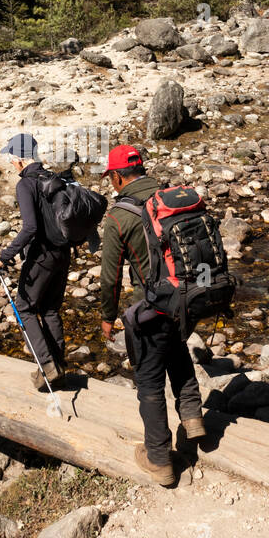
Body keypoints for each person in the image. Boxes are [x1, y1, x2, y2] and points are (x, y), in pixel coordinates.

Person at [98, 144, 204, 486]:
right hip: (187, 298)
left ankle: (159, 459)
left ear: (117, 177)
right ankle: (193, 419)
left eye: (111, 179)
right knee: (177, 350)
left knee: (149, 382)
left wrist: (107, 316)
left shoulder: (118, 216)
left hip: (152, 306)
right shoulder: (169, 198)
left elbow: (110, 276)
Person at [0, 133, 70, 390]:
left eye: (11, 159)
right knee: (50, 310)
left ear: (19, 160)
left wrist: (4, 255)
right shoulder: (54, 179)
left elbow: (30, 228)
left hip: (42, 256)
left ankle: (46, 365)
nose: (11, 164)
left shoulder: (26, 185)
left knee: (24, 307)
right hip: (63, 253)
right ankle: (59, 366)